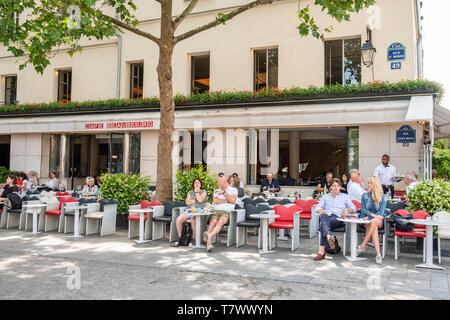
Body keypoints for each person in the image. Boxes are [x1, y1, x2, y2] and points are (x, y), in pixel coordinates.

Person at [314, 178, 356, 261]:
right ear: (330, 187)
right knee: (324, 216)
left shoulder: (345, 196)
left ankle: (321, 252)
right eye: (334, 185)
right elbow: (318, 207)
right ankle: (328, 237)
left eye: (338, 186)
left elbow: (353, 207)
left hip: (338, 219)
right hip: (327, 216)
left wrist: (347, 210)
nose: (336, 188)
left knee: (322, 224)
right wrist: (320, 210)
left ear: (340, 187)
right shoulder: (325, 197)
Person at [357, 176, 388, 265]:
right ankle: (378, 255)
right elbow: (363, 210)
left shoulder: (383, 197)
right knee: (373, 226)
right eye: (368, 183)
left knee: (374, 222)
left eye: (371, 183)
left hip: (378, 220)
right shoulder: (364, 196)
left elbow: (381, 212)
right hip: (368, 220)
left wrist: (372, 216)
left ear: (376, 185)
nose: (369, 185)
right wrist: (373, 216)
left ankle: (363, 244)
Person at [203, 173, 238, 252]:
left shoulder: (233, 190)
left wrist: (223, 193)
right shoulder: (216, 190)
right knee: (213, 222)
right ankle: (209, 243)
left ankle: (209, 236)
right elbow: (215, 200)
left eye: (219, 182)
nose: (217, 183)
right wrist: (227, 200)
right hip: (216, 210)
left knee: (221, 221)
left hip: (226, 211)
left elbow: (233, 200)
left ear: (225, 182)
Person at [172, 178, 207, 247]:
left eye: (198, 183)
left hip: (199, 211)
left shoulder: (203, 192)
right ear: (193, 184)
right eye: (195, 183)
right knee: (178, 220)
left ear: (200, 184)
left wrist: (196, 193)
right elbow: (187, 202)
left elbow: (200, 200)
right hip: (189, 210)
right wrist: (191, 200)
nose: (196, 184)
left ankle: (193, 239)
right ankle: (181, 238)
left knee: (193, 219)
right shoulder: (190, 192)